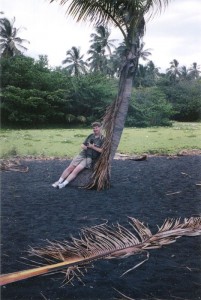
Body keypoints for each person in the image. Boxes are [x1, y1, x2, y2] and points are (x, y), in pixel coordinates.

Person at [52, 121, 104, 189]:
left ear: (100, 128)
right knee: (70, 167)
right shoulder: (90, 135)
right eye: (94, 128)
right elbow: (82, 144)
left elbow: (102, 150)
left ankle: (63, 184)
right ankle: (59, 181)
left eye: (96, 128)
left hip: (89, 157)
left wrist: (92, 147)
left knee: (76, 170)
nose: (95, 129)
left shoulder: (102, 139)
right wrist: (84, 147)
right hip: (83, 154)